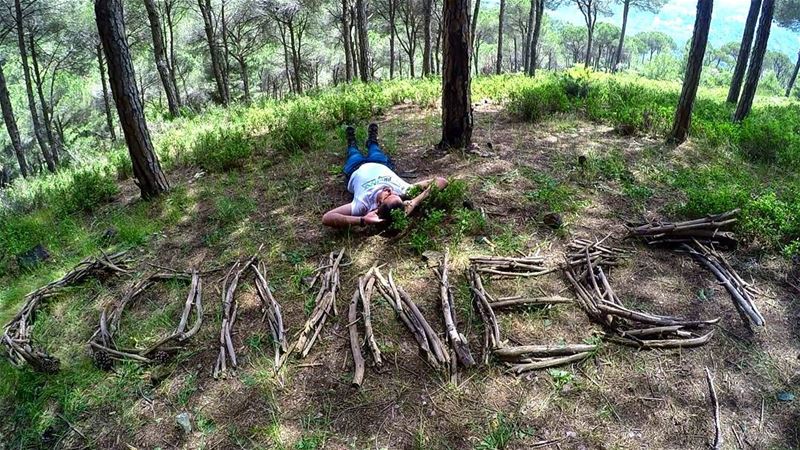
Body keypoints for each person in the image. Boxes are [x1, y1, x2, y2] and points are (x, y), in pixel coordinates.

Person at [322, 123, 447, 228]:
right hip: (380, 163)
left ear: (378, 205)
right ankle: (372, 140)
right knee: (375, 150)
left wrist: (362, 220)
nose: (391, 190)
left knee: (354, 153)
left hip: (355, 168)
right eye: (394, 194)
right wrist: (414, 202)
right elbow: (441, 181)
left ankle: (352, 143)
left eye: (389, 195)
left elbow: (327, 218)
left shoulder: (363, 204)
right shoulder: (403, 190)